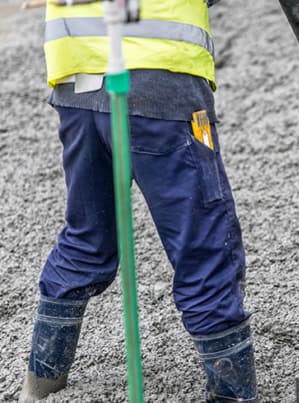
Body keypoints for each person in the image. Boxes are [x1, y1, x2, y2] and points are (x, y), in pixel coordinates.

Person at [19, 1, 256, 402]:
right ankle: (234, 394)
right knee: (204, 243)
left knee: (87, 236)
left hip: (76, 79)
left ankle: (39, 386)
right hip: (159, 77)